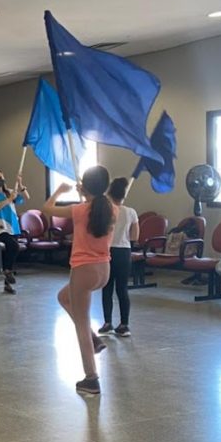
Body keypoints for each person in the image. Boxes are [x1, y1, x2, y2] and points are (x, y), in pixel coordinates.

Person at [41, 166, 116, 396]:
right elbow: (96, 210)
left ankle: (91, 379)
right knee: (63, 297)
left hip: (84, 270)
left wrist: (60, 191)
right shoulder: (112, 209)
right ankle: (93, 339)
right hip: (104, 269)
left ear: (85, 186)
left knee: (81, 325)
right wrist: (86, 193)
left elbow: (47, 209)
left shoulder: (80, 210)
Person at [99, 178, 139, 338]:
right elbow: (135, 235)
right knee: (122, 289)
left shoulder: (106, 210)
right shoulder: (131, 212)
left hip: (107, 251)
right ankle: (124, 325)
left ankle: (107, 323)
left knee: (106, 288)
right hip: (124, 252)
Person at [0, 169, 29, 295]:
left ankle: (6, 279)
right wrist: (9, 200)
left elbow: (26, 197)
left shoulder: (10, 192)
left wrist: (21, 185)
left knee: (10, 251)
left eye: (1, 177)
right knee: (13, 245)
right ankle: (7, 271)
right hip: (0, 227)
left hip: (12, 227)